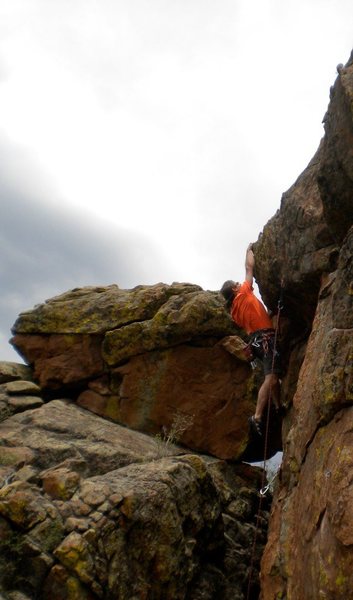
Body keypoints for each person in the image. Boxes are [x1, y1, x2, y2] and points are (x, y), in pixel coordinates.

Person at [220, 243, 281, 437]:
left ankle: (279, 406)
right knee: (270, 377)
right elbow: (249, 268)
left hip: (256, 342)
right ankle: (257, 416)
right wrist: (248, 251)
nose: (241, 283)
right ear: (235, 289)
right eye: (237, 284)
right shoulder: (243, 293)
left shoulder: (235, 311)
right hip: (265, 338)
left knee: (273, 375)